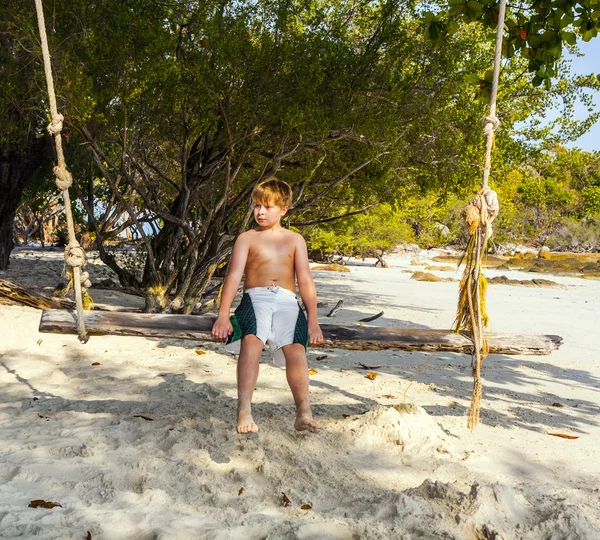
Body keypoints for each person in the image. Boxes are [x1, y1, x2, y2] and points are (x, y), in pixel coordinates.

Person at [212, 178, 323, 434]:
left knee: (296, 349)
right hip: (256, 298)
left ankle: (304, 410)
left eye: (267, 207)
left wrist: (313, 319)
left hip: (287, 301)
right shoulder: (246, 238)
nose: (260, 212)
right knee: (252, 341)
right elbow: (233, 275)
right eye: (256, 206)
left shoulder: (295, 240)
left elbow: (305, 280)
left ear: (284, 209)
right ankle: (244, 408)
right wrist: (223, 315)